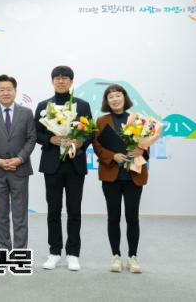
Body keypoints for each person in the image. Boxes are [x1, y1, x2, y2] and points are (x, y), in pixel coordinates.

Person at [35, 66, 92, 271]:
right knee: (53, 210)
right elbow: (36, 133)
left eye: (65, 78)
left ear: (71, 81)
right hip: (52, 165)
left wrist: (80, 142)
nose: (61, 81)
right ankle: (54, 252)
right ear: (52, 81)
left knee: (74, 210)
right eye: (57, 78)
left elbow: (90, 132)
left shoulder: (82, 105)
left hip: (75, 165)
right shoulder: (44, 106)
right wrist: (50, 139)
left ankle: (73, 254)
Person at [93, 84, 149, 274]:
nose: (115, 99)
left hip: (134, 176)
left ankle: (133, 257)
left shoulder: (138, 119)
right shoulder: (101, 121)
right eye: (111, 97)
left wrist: (141, 150)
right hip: (111, 176)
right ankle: (115, 256)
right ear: (106, 101)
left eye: (118, 95)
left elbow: (146, 145)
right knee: (113, 217)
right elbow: (97, 146)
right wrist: (113, 156)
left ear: (125, 98)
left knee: (132, 217)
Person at [0, 74, 36, 250]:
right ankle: (4, 251)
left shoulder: (26, 113)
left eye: (9, 89)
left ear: (15, 91)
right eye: (2, 89)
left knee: (20, 215)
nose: (5, 93)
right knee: (1, 215)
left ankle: (20, 253)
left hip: (20, 170)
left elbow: (31, 138)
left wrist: (19, 159)